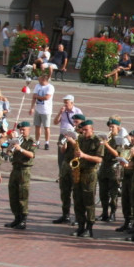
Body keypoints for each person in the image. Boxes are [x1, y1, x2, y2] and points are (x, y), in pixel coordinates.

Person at [68, 118, 104, 238]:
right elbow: (76, 153)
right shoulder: (81, 139)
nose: (84, 132)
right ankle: (80, 227)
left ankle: (89, 228)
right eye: (82, 130)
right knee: (78, 201)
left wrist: (84, 155)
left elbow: (99, 159)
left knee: (88, 201)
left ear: (92, 129)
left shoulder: (97, 141)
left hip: (90, 173)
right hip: (80, 172)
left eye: (86, 130)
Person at [52, 95, 83, 224]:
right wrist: (64, 144)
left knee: (77, 193)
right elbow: (63, 151)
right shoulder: (69, 131)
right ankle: (65, 215)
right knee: (65, 191)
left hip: (77, 166)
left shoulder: (82, 135)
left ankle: (78, 217)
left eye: (76, 122)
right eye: (74, 122)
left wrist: (73, 140)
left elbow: (81, 151)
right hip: (66, 165)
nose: (75, 124)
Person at [5, 120, 36, 230]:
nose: (22, 131)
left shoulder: (31, 141)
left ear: (29, 130)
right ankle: (16, 217)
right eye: (20, 129)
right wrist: (11, 146)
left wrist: (21, 149)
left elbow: (32, 154)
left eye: (24, 129)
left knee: (23, 194)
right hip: (15, 168)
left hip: (24, 169)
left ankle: (23, 219)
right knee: (13, 193)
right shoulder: (17, 140)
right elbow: (8, 153)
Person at [97, 118, 125, 221]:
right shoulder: (107, 138)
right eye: (109, 126)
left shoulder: (119, 139)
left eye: (112, 126)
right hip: (104, 167)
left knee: (113, 193)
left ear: (118, 127)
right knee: (103, 192)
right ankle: (104, 213)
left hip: (114, 168)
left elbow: (117, 154)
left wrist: (107, 145)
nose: (110, 128)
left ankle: (113, 213)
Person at [29, 73, 54, 150]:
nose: (38, 80)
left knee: (46, 127)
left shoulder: (50, 87)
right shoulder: (37, 86)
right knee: (37, 126)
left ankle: (47, 143)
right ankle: (37, 142)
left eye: (39, 79)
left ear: (44, 80)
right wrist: (32, 107)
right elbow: (34, 97)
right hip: (38, 109)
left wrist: (37, 96)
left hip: (46, 110)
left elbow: (47, 97)